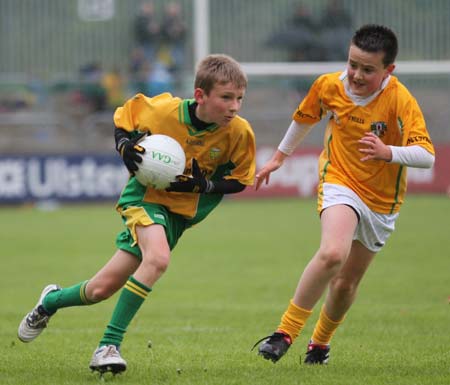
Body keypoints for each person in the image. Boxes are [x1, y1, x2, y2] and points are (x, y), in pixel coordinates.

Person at [18, 54, 256, 375]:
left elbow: (240, 180)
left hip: (177, 218)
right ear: (200, 95)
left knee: (101, 289)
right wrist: (124, 146)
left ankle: (50, 302)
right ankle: (108, 346)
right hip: (143, 199)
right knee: (157, 260)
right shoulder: (164, 111)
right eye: (226, 97)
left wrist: (207, 185)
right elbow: (124, 116)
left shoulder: (239, 133)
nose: (235, 106)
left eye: (239, 98)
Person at [253, 24, 435, 365]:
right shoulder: (328, 86)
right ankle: (284, 333)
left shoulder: (399, 99)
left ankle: (320, 344)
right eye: (353, 64)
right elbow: (304, 118)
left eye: (368, 69)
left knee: (345, 285)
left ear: (388, 70)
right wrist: (279, 157)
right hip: (340, 180)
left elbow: (426, 155)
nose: (356, 74)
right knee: (332, 254)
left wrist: (388, 152)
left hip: (383, 203)